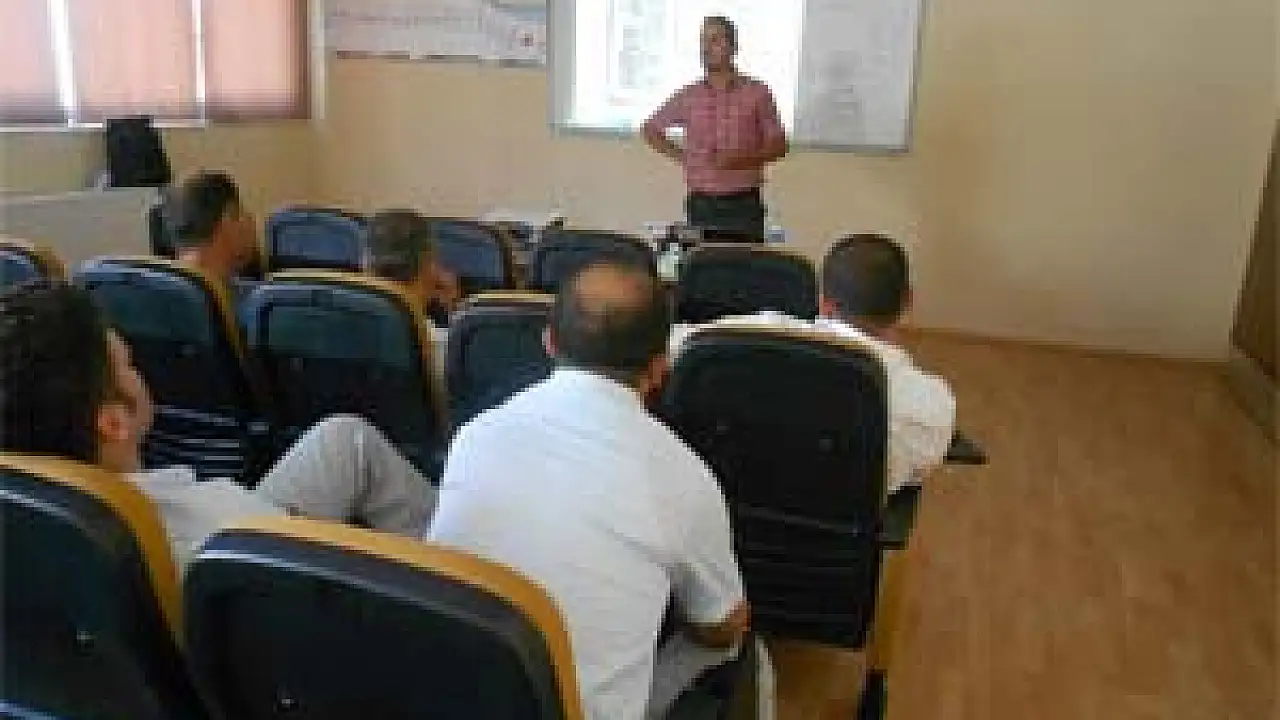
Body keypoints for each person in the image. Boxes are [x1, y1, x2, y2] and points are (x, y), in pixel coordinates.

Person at [429, 260, 765, 719]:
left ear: (549, 342)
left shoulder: (476, 433)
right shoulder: (684, 477)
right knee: (739, 641)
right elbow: (720, 626)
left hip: (448, 698)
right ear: (660, 368)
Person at [0, 280, 438, 570]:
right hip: (268, 548)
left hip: (238, 522)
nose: (138, 372)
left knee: (345, 438)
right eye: (128, 365)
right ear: (113, 423)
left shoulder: (29, 523)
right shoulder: (209, 530)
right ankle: (457, 583)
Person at [671, 234, 957, 495]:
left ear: (822, 301)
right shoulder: (930, 402)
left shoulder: (742, 337)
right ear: (907, 301)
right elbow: (914, 471)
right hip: (838, 531)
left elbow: (673, 342)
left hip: (731, 512)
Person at [643, 15, 788, 242]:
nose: (706, 48)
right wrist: (685, 157)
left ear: (733, 47)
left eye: (714, 40)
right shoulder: (690, 95)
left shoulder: (757, 92)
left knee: (744, 263)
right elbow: (650, 129)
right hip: (701, 204)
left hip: (744, 205)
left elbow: (779, 145)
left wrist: (741, 160)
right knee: (701, 262)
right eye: (703, 41)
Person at [361, 209, 461, 371]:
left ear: (365, 266)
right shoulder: (447, 352)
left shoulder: (336, 331)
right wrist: (455, 315)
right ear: (429, 262)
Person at [161, 171, 261, 305]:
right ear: (229, 217)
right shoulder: (261, 305)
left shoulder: (153, 293)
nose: (251, 221)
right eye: (242, 212)